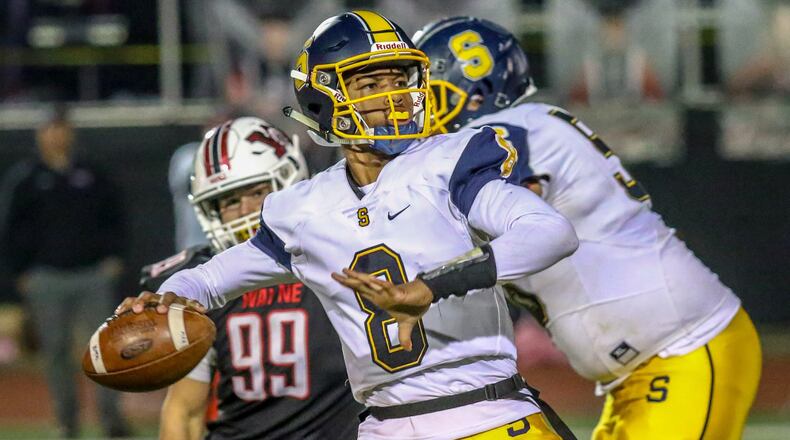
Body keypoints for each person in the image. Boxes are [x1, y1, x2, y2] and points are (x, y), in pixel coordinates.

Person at [117, 10, 579, 440]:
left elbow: (550, 232)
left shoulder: (449, 162)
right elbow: (208, 279)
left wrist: (432, 287)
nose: (394, 97)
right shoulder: (302, 209)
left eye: (399, 80)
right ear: (323, 99)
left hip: (489, 414)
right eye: (371, 84)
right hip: (383, 426)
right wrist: (165, 300)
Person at [413, 16, 762, 440]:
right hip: (644, 370)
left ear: (477, 93)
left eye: (430, 94)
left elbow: (487, 200)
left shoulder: (509, 130)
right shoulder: (530, 125)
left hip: (683, 349)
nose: (420, 109)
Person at [144, 117, 361, 439]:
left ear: (291, 184)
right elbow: (184, 412)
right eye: (230, 201)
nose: (246, 211)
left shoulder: (336, 255)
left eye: (258, 192)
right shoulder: (203, 284)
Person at [0, 108, 130, 438]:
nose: (56, 135)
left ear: (70, 133)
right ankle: (66, 422)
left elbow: (116, 215)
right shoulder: (26, 178)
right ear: (39, 135)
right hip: (47, 278)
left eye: (61, 128)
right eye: (50, 129)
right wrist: (22, 273)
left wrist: (114, 257)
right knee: (55, 352)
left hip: (91, 275)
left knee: (105, 347)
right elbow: (11, 228)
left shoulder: (92, 173)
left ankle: (111, 420)